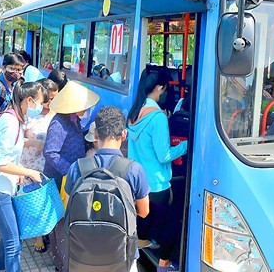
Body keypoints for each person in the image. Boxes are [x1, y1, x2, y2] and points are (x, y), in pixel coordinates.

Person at [64, 106, 150, 272]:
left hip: (82, 255)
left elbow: (69, 208)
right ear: (124, 135)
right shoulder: (134, 169)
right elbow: (144, 212)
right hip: (122, 256)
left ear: (96, 135)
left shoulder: (78, 168)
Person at [127, 68, 188, 272]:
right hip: (157, 183)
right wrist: (187, 144)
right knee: (171, 223)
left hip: (138, 181)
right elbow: (164, 155)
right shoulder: (157, 118)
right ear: (160, 87)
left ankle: (141, 243)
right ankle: (164, 263)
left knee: (144, 218)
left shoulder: (135, 111)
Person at [0, 81, 44, 272]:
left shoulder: (13, 118)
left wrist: (32, 143)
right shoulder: (9, 122)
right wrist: (29, 172)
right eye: (40, 102)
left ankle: (0, 269)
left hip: (1, 188)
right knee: (13, 244)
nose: (40, 107)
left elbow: (11, 147)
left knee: (10, 237)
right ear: (29, 100)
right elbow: (2, 164)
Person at [43, 80, 100, 272]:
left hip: (69, 177)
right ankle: (61, 263)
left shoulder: (73, 120)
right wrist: (71, 171)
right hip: (59, 179)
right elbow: (50, 153)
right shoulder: (59, 123)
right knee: (60, 222)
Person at [20, 78, 59, 253]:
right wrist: (34, 143)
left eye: (53, 98)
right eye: (47, 99)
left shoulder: (59, 116)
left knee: (48, 198)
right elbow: (18, 139)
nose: (49, 103)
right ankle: (38, 236)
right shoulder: (29, 114)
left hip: (49, 165)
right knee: (34, 199)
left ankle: (51, 231)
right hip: (30, 164)